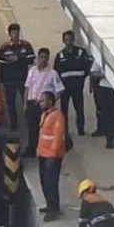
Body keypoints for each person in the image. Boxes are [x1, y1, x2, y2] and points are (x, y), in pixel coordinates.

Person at [24, 48, 64, 158]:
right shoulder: (32, 71)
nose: (43, 60)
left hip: (43, 106)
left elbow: (60, 90)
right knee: (31, 128)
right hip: (32, 103)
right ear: (37, 57)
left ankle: (40, 149)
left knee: (42, 128)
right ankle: (31, 148)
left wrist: (51, 101)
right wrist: (25, 103)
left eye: (45, 57)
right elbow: (27, 87)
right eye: (41, 57)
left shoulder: (52, 74)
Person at [53, 30, 92, 138]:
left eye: (70, 39)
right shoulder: (60, 56)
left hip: (77, 86)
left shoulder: (81, 53)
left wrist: (82, 80)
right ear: (63, 41)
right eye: (66, 40)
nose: (68, 42)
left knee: (79, 108)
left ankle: (81, 129)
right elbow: (56, 72)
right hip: (65, 87)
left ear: (73, 40)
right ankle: (64, 129)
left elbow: (87, 67)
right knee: (64, 109)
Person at [0, 23, 36, 131]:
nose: (15, 35)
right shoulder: (4, 47)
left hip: (23, 79)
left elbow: (31, 59)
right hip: (9, 81)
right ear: (9, 34)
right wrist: (2, 82)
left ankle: (30, 124)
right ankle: (14, 125)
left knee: (27, 102)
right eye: (13, 33)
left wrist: (18, 59)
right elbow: (2, 65)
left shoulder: (26, 45)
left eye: (17, 32)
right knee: (11, 104)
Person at [37, 91, 66, 220]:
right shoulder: (45, 114)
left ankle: (54, 209)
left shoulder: (57, 116)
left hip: (52, 156)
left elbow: (57, 136)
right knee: (44, 182)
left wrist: (53, 155)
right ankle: (49, 205)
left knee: (51, 182)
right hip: (43, 153)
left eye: (42, 100)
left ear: (50, 101)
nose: (39, 103)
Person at [89, 60, 114, 149]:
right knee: (107, 114)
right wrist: (106, 74)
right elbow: (93, 73)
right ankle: (109, 139)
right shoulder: (101, 57)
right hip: (105, 88)